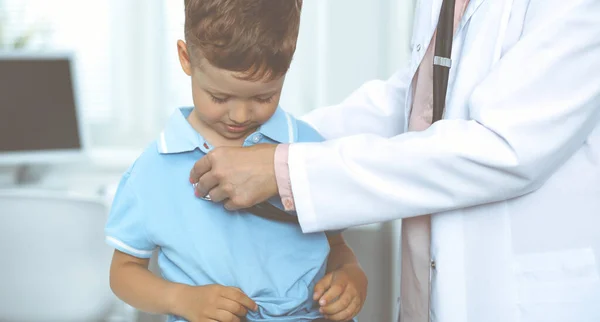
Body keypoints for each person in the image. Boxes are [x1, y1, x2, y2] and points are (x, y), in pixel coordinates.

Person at [189, 0, 600, 321]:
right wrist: (271, 141)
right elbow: (416, 102)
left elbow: (505, 146)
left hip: (524, 298)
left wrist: (285, 168)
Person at [104, 1, 368, 321]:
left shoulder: (309, 149)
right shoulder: (151, 171)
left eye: (263, 97)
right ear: (187, 59)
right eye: (219, 97)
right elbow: (124, 272)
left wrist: (351, 274)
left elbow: (336, 244)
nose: (240, 116)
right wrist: (181, 299)